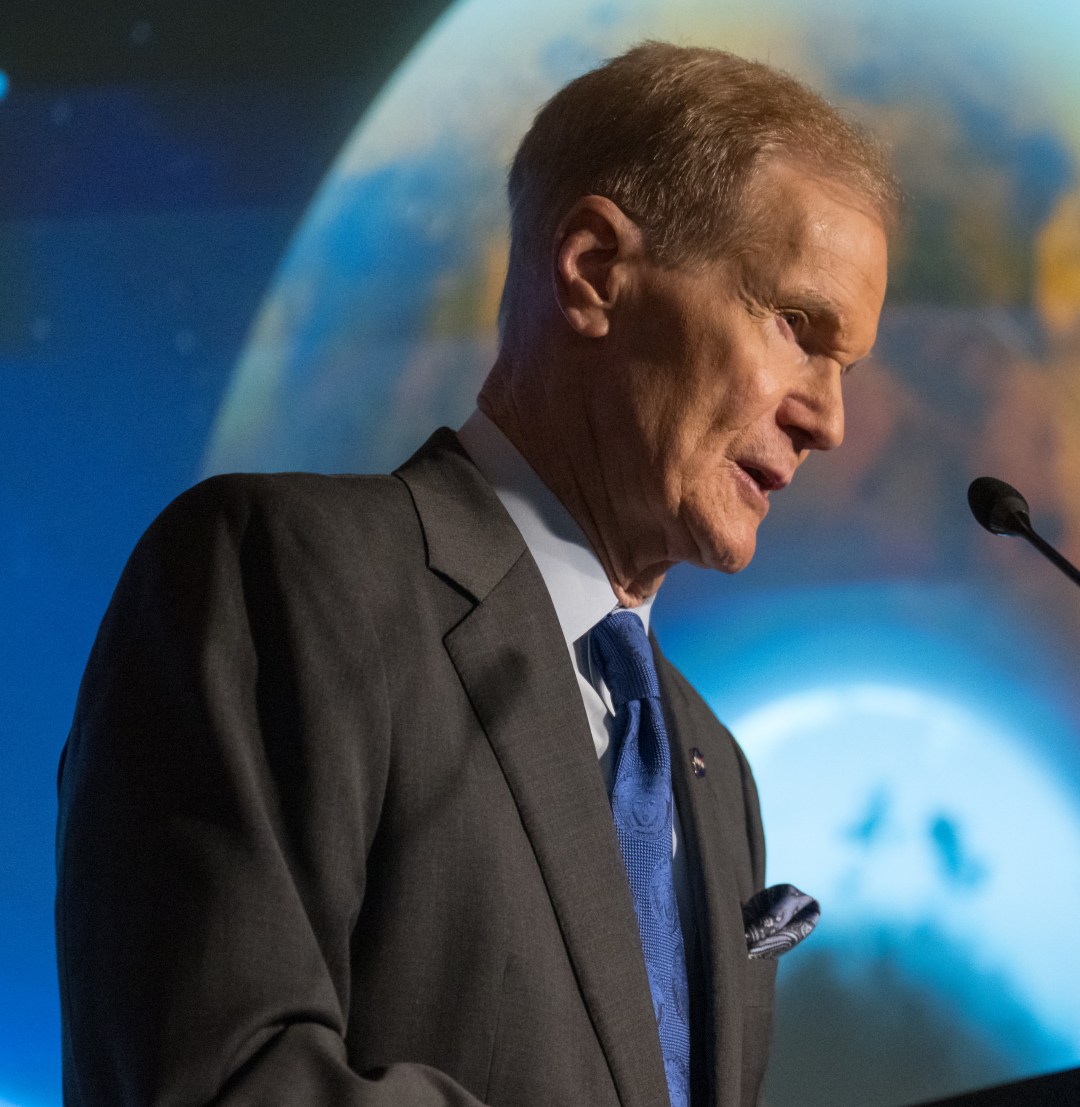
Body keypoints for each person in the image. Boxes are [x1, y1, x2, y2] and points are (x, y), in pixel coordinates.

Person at [55, 40, 897, 1107]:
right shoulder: (283, 578)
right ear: (594, 271)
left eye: (847, 367)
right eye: (795, 326)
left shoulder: (713, 771)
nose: (828, 418)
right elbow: (226, 1077)